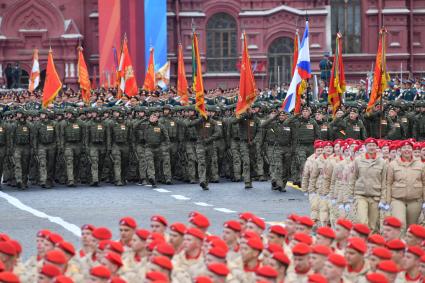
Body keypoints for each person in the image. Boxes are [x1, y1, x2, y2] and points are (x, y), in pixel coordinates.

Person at [386, 140, 425, 230]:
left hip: (415, 200)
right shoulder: (393, 164)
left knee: (411, 227)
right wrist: (387, 201)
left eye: (409, 148)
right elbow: (388, 183)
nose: (406, 150)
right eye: (404, 148)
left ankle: (408, 244)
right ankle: (400, 243)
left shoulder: (420, 165)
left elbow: (424, 183)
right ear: (400, 150)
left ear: (412, 150)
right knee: (400, 224)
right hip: (397, 199)